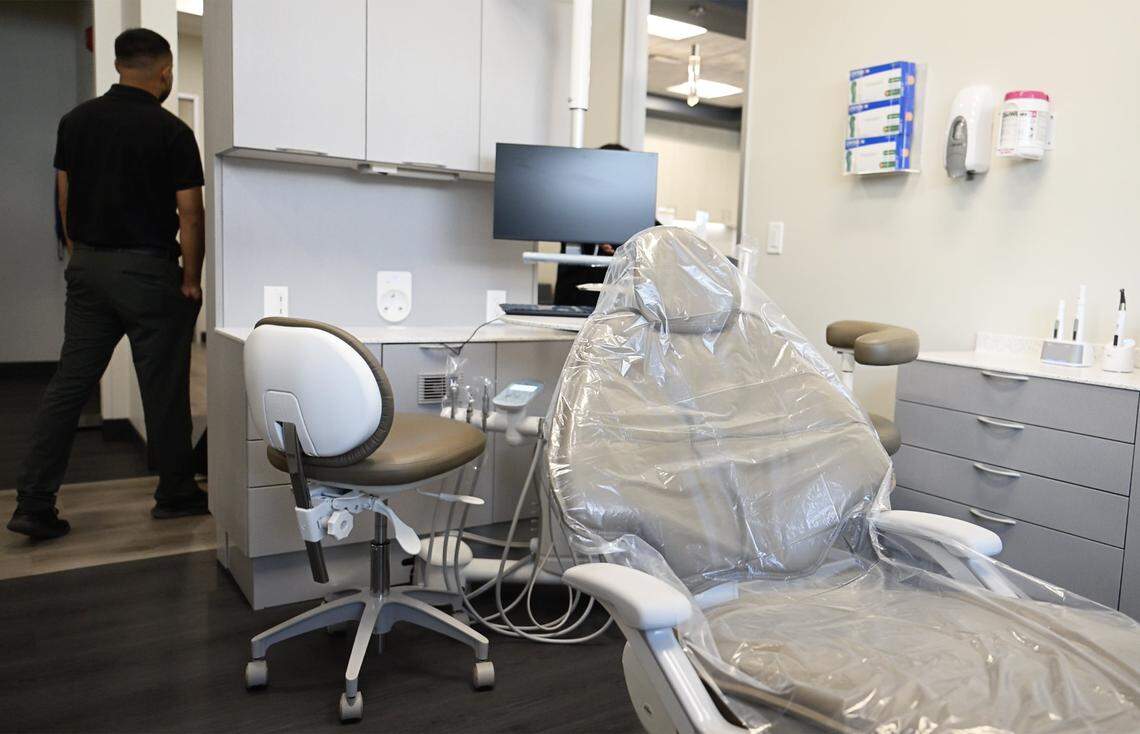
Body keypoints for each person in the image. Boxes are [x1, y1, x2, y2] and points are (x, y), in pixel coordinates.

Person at [7, 28, 207, 540]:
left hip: (89, 269)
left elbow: (64, 197)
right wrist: (191, 279)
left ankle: (33, 503)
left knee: (69, 386)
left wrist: (82, 255)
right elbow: (190, 213)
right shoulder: (172, 132)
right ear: (164, 71)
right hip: (149, 271)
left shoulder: (75, 122)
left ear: (118, 65)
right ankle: (176, 494)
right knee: (163, 389)